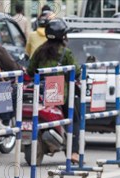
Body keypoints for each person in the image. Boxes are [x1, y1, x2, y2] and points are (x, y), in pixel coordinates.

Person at [27, 18, 81, 164]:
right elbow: (76, 72)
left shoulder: (40, 51)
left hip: (41, 93)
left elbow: (30, 70)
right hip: (60, 94)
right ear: (63, 36)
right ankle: (74, 152)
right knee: (74, 119)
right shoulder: (65, 53)